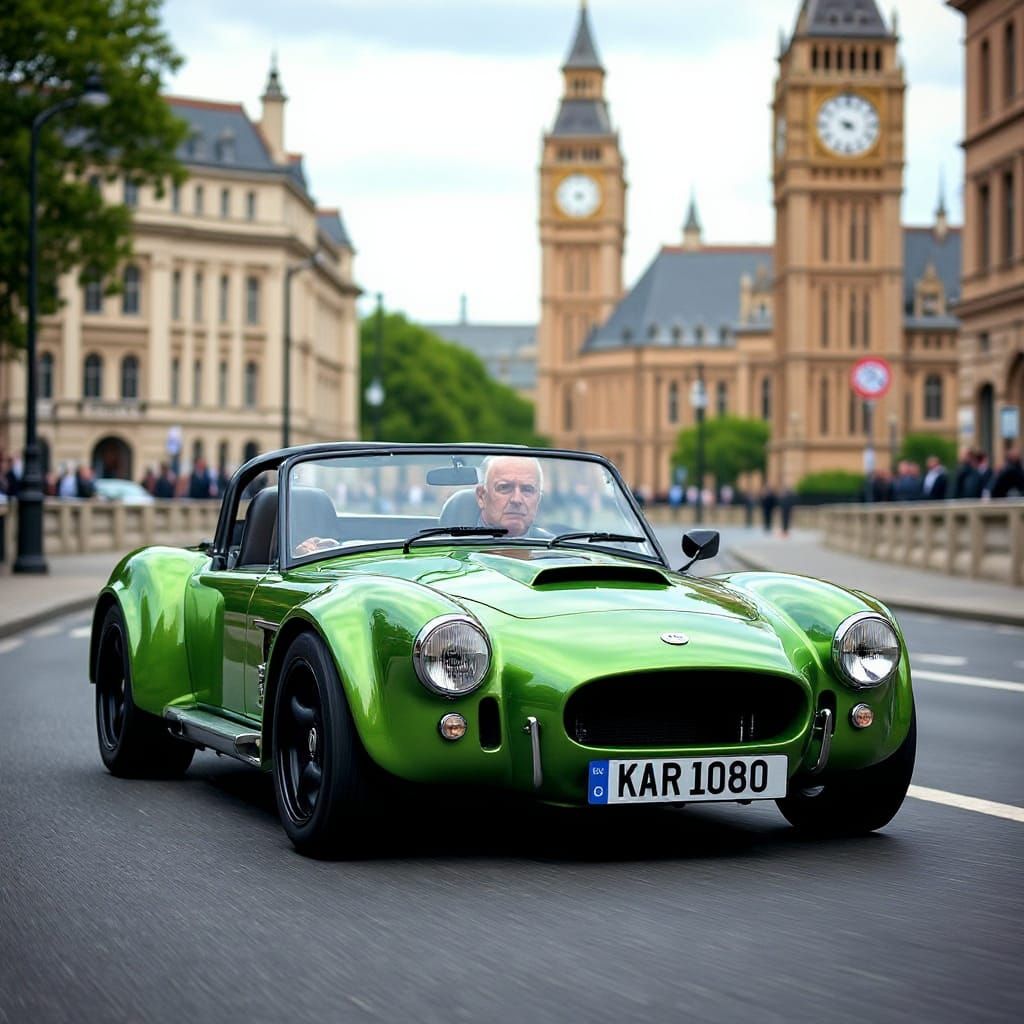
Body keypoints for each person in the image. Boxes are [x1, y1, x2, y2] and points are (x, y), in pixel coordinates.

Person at [475, 455, 545, 538]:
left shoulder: (553, 547)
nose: (516, 499)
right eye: (504, 487)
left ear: (538, 499)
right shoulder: (458, 542)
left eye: (527, 490)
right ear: (481, 496)